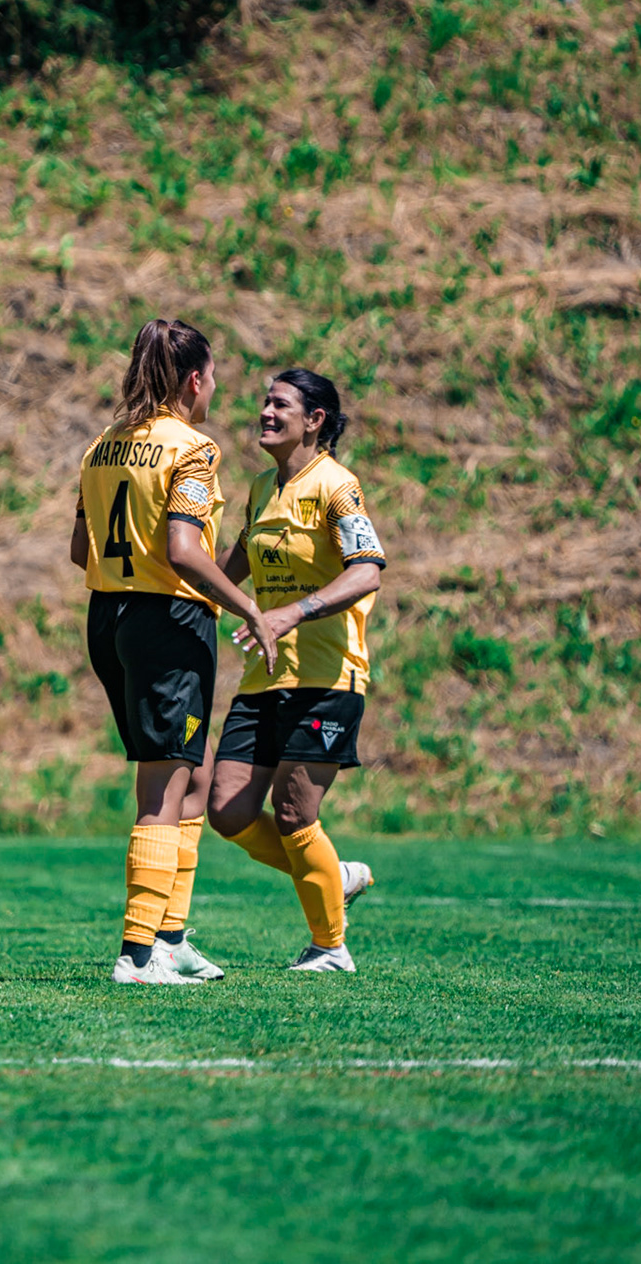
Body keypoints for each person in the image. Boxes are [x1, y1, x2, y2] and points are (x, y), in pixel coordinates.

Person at [70, 318, 275, 986]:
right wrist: (248, 606)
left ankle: (173, 940)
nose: (215, 388)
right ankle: (137, 955)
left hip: (110, 613)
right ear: (195, 379)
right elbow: (185, 551)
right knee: (163, 783)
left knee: (190, 773)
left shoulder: (103, 446)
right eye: (213, 376)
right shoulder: (193, 449)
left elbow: (82, 550)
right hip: (167, 622)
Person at [205, 370, 382, 972]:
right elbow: (227, 571)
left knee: (293, 811)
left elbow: (367, 571)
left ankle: (330, 947)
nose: (265, 412)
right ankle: (335, 874)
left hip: (328, 677)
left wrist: (289, 614)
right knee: (227, 808)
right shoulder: (259, 488)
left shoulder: (338, 486)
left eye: (280, 404)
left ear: (316, 422)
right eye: (263, 401)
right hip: (265, 679)